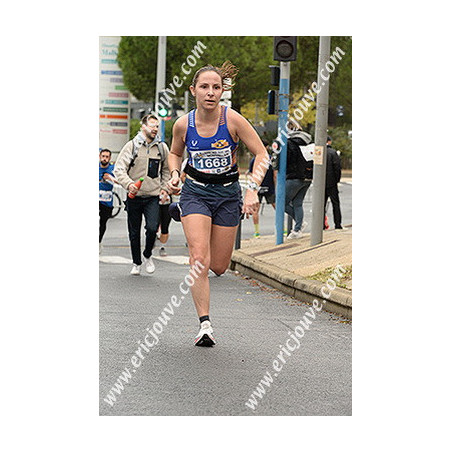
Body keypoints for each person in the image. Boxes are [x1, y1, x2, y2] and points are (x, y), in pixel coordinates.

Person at [167, 61, 268, 347]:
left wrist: (252, 190)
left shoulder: (233, 120)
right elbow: (175, 153)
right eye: (204, 87)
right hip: (195, 193)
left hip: (227, 195)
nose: (210, 92)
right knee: (199, 258)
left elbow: (262, 154)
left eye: (216, 87)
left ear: (222, 91)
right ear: (193, 91)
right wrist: (174, 174)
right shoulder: (183, 124)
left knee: (220, 266)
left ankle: (189, 219)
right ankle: (205, 325)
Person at [114, 114, 170, 275]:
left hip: (153, 196)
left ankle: (147, 255)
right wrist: (129, 184)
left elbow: (166, 169)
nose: (155, 129)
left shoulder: (161, 148)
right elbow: (119, 169)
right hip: (134, 197)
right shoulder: (132, 146)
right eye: (152, 126)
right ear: (143, 127)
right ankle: (136, 263)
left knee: (152, 228)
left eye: (157, 126)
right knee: (134, 232)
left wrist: (164, 188)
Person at [284, 123, 313, 239]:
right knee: (298, 203)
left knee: (281, 203)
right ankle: (297, 230)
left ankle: (300, 223)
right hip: (308, 177)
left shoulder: (289, 143)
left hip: (294, 176)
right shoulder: (308, 141)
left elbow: (286, 160)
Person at [246, 143, 276, 238]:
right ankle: (281, 228)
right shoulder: (271, 159)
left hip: (257, 187)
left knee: (256, 210)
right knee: (277, 208)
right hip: (270, 186)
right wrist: (275, 186)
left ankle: (257, 231)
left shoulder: (255, 160)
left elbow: (252, 174)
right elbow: (275, 175)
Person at [324, 136, 344, 229]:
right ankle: (337, 224)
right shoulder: (333, 152)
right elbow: (337, 167)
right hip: (332, 182)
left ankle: (321, 224)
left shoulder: (318, 152)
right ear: (329, 142)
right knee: (335, 204)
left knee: (321, 204)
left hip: (321, 183)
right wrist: (337, 180)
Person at [99, 149, 116, 253]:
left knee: (103, 222)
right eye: (103, 156)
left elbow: (119, 182)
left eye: (107, 157)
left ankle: (99, 241)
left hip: (107, 200)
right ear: (99, 156)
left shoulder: (113, 169)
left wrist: (110, 178)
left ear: (109, 158)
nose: (104, 158)